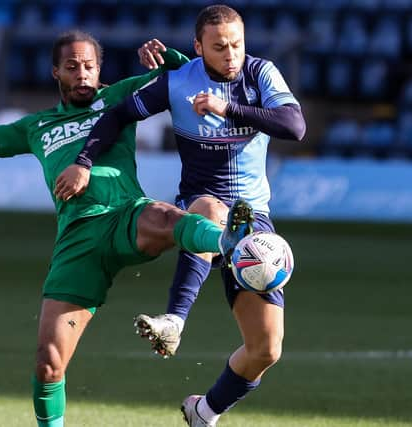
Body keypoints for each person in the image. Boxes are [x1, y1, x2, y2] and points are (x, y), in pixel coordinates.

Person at [0, 30, 254, 427]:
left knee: (166, 217)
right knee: (48, 364)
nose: (83, 74)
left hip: (126, 215)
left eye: (90, 67)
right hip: (78, 243)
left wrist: (169, 57)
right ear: (55, 72)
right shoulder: (36, 126)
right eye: (73, 67)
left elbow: (191, 75)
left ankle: (225, 241)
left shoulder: (116, 97)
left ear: (100, 71)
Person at [54, 5, 306, 426]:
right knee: (210, 210)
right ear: (198, 48)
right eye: (219, 46)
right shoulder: (178, 82)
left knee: (266, 350)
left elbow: (294, 126)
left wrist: (229, 110)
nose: (231, 54)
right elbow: (117, 115)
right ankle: (174, 319)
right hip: (203, 202)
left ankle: (203, 412)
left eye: (237, 44)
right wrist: (83, 160)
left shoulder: (261, 73)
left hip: (254, 219)